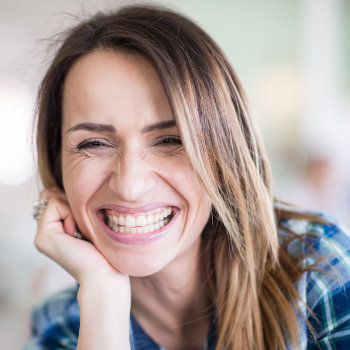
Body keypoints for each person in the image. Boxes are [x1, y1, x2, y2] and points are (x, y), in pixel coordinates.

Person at [24, 5, 350, 350]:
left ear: (224, 157)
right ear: (57, 163)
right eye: (94, 143)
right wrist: (103, 296)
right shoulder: (61, 325)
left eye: (170, 140)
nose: (130, 186)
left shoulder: (318, 270)